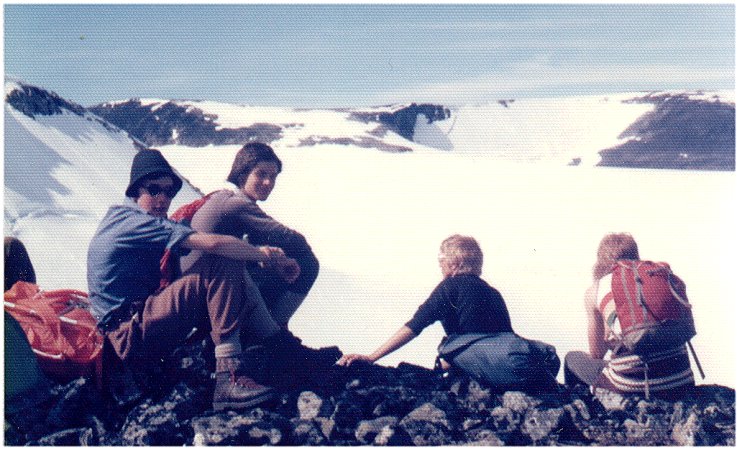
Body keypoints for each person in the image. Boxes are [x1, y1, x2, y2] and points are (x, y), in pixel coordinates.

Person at [87, 148, 299, 410]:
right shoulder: (132, 221)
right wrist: (261, 255)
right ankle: (230, 375)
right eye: (154, 190)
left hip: (135, 326)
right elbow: (211, 244)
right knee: (221, 261)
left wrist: (259, 256)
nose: (163, 198)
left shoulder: (137, 221)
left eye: (169, 191)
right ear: (135, 192)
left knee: (227, 267)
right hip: (126, 336)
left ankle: (281, 351)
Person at [180, 142, 319, 338]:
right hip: (203, 294)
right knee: (308, 263)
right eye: (261, 174)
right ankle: (274, 334)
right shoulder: (236, 204)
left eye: (273, 177)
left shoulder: (221, 196)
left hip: (194, 289)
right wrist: (278, 258)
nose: (268, 183)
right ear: (242, 173)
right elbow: (294, 240)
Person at [337, 235, 514, 371]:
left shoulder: (451, 286)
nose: (440, 264)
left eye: (442, 259)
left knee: (447, 349)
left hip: (474, 365)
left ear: (455, 262)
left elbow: (415, 326)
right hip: (500, 366)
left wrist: (372, 358)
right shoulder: (494, 293)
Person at [564, 233, 695, 399]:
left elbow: (597, 353)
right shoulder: (657, 276)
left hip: (632, 385)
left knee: (572, 359)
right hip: (682, 380)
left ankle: (580, 408)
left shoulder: (595, 291)